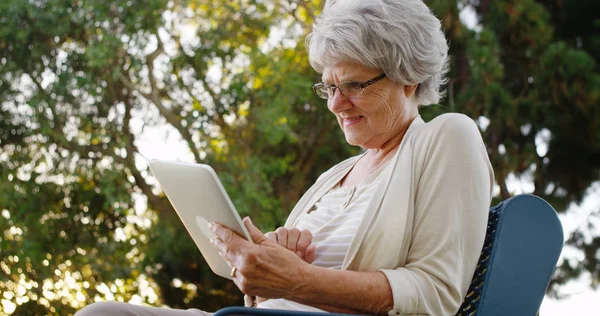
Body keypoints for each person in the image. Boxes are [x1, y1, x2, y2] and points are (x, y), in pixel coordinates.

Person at [76, 0, 494, 315]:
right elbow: (268, 297)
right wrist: (270, 267)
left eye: (353, 85)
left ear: (409, 77)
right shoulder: (333, 177)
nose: (336, 105)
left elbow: (435, 294)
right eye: (328, 87)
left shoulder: (446, 137)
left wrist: (299, 280)